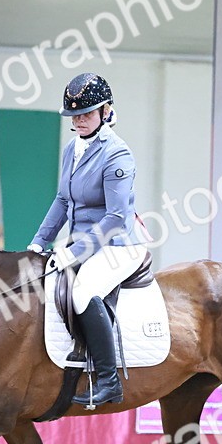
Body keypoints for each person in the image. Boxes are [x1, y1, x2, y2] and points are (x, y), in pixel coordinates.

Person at [27, 73, 149, 409]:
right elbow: (63, 200)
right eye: (75, 115)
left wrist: (74, 252)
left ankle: (109, 381)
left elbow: (116, 219)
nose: (80, 120)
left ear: (105, 111)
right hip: (83, 244)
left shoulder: (117, 155)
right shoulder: (72, 149)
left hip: (118, 246)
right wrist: (38, 242)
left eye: (87, 114)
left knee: (83, 293)